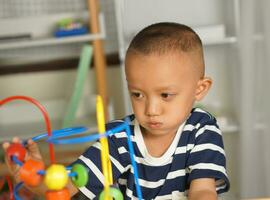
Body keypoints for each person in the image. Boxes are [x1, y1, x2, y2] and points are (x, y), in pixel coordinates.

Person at [3, 22, 229, 199]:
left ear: (199, 89)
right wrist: (35, 175)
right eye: (137, 94)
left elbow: (202, 192)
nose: (151, 110)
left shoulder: (202, 129)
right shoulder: (119, 137)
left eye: (165, 95)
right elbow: (68, 186)